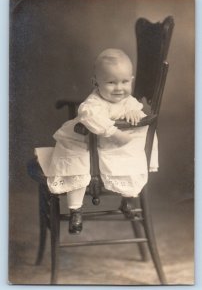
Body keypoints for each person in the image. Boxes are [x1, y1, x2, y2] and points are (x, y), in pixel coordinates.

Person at [35, 48, 158, 234]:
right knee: (76, 162)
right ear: (95, 83)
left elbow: (137, 112)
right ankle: (75, 210)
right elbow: (90, 117)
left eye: (125, 82)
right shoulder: (93, 103)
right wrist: (112, 132)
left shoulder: (129, 101)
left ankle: (128, 200)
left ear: (131, 81)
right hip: (87, 143)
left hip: (114, 149)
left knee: (132, 154)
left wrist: (135, 113)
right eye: (111, 82)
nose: (119, 88)